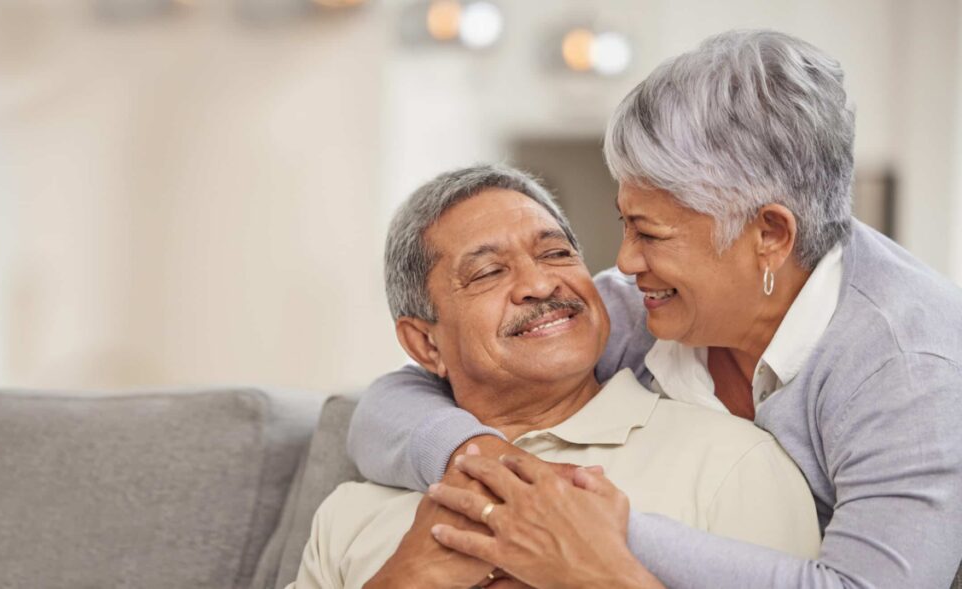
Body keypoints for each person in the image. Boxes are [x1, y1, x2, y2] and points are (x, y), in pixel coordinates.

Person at [346, 30, 962, 588]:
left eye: (651, 233)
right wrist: (487, 466)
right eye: (625, 224)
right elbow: (393, 400)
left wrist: (580, 529)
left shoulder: (912, 370)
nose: (625, 261)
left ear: (770, 233)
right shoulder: (646, 309)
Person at [289, 165, 819, 589]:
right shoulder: (351, 513)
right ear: (426, 344)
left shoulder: (731, 463)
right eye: (489, 272)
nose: (541, 283)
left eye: (556, 253)